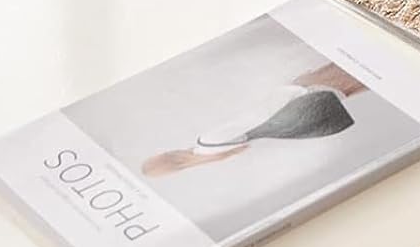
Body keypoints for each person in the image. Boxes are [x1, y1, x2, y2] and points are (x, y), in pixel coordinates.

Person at [142, 62, 366, 177]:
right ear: (165, 155)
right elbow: (250, 122)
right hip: (286, 101)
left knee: (352, 83)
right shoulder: (205, 143)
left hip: (291, 112)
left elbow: (240, 146)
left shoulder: (207, 151)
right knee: (347, 74)